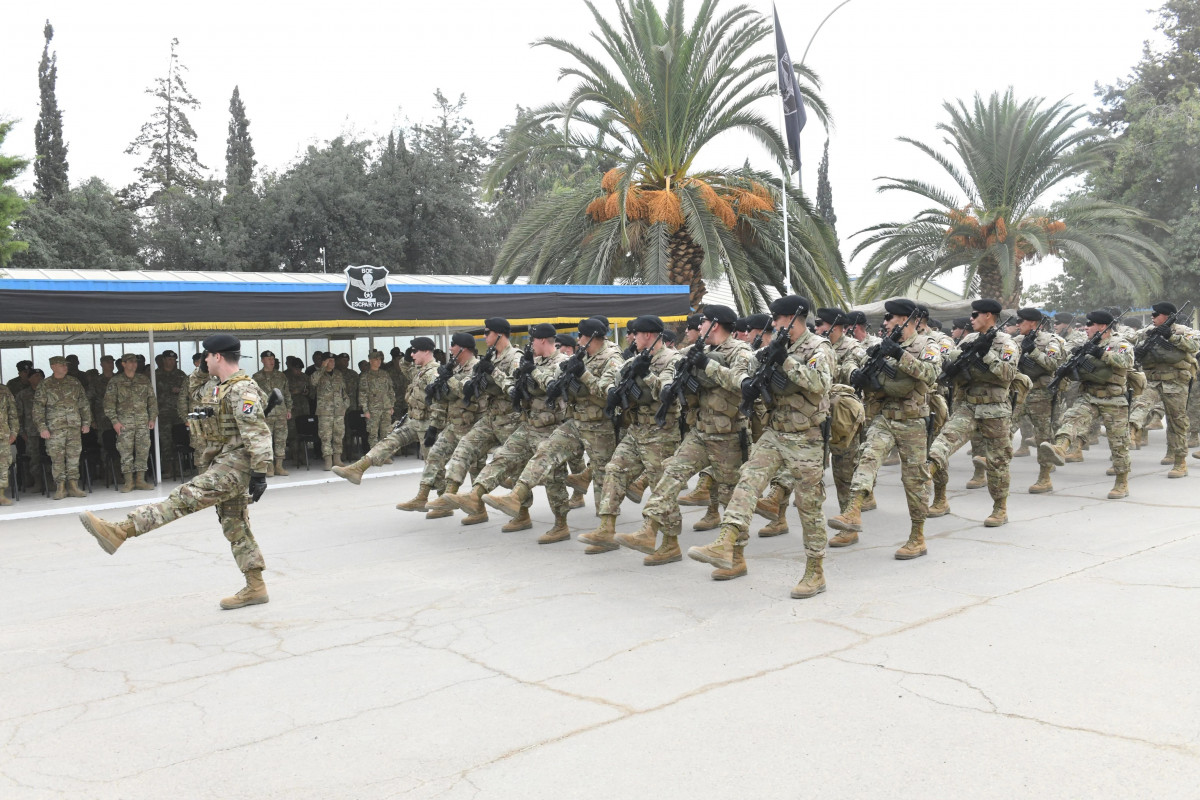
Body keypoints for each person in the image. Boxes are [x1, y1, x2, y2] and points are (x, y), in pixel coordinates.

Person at [79, 334, 274, 610]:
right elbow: (194, 391)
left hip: (236, 464)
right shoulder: (219, 386)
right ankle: (255, 586)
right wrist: (201, 370)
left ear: (217, 356)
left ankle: (121, 531)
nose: (203, 361)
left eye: (206, 356)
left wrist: (259, 473)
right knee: (235, 524)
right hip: (221, 460)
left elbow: (258, 433)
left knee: (185, 497)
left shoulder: (243, 390)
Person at [615, 304, 754, 568]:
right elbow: (671, 373)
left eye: (703, 322)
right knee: (670, 474)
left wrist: (707, 367)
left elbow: (741, 383)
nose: (699, 327)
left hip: (728, 436)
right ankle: (650, 531)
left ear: (715, 325)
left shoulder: (741, 351)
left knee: (728, 497)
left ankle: (736, 558)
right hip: (700, 432)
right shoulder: (694, 351)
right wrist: (646, 371)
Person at [829, 298, 940, 559]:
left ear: (905, 320)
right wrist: (860, 376)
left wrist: (900, 355)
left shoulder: (927, 345)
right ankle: (853, 509)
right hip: (884, 416)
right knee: (867, 457)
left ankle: (917, 536)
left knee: (914, 480)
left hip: (913, 420)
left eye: (890, 318)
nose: (886, 322)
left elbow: (932, 374)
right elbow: (865, 373)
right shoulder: (882, 346)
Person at [456, 324, 574, 543]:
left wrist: (531, 373)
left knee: (552, 478)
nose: (531, 345)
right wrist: (499, 376)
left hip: (551, 428)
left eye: (534, 341)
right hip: (528, 425)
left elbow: (553, 388)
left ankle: (561, 524)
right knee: (502, 456)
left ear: (543, 341)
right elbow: (512, 389)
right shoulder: (533, 362)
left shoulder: (562, 362)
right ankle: (475, 495)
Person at [578, 315, 682, 554]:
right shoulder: (634, 360)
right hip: (636, 429)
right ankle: (606, 528)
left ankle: (670, 544)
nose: (632, 338)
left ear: (647, 335)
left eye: (636, 334)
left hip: (660, 433)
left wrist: (646, 375)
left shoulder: (672, 359)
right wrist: (614, 391)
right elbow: (611, 384)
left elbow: (667, 393)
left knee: (661, 487)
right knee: (614, 470)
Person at [426, 318, 523, 522]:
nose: (484, 336)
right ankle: (449, 494)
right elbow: (472, 390)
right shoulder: (490, 357)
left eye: (487, 333)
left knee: (513, 467)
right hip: (491, 417)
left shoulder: (515, 357)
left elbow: (516, 389)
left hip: (510, 420)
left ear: (499, 334)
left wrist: (492, 372)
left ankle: (522, 514)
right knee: (465, 446)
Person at [1039, 309, 1135, 499]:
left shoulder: (1119, 343)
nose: (1086, 328)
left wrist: (1101, 353)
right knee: (1071, 418)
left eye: (1090, 325)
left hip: (1113, 399)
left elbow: (1126, 361)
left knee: (1119, 443)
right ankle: (1060, 447)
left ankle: (1121, 482)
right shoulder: (1087, 344)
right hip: (1088, 395)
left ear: (1102, 326)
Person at [395, 333, 486, 517]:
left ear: (463, 348)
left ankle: (479, 509)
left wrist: (447, 380)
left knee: (476, 468)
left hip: (473, 425)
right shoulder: (454, 368)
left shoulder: (477, 368)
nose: (450, 349)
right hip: (453, 424)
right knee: (434, 456)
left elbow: (468, 392)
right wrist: (434, 426)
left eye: (453, 345)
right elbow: (443, 401)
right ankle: (424, 496)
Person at [333, 337, 444, 485]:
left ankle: (440, 499)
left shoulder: (433, 373)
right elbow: (405, 368)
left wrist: (434, 426)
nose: (412, 355)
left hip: (427, 424)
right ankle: (357, 468)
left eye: (415, 351)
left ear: (426, 351)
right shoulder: (420, 370)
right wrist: (405, 358)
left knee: (432, 464)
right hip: (414, 420)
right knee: (389, 440)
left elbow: (441, 402)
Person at [1128, 301, 1200, 477]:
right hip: (1152, 381)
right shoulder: (1147, 332)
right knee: (1140, 404)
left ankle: (1179, 461)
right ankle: (1132, 432)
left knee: (1177, 422)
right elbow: (1127, 341)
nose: (1152, 317)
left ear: (1167, 316)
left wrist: (1171, 337)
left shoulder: (1184, 331)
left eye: (1156, 314)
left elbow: (1194, 347)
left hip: (1176, 382)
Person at [1011, 309, 1067, 493]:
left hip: (1041, 395)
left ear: (1033, 323)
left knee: (1043, 437)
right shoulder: (1016, 341)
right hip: (1018, 393)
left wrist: (1033, 351)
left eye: (1021, 321)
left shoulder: (1051, 341)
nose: (1017, 324)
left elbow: (1052, 364)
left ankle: (1045, 477)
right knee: (1004, 429)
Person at [33, 356, 92, 500]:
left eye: (66, 365)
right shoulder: (45, 385)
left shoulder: (74, 382)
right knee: (57, 458)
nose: (65, 367)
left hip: (73, 427)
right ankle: (60, 488)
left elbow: (83, 403)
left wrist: (86, 422)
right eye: (61, 365)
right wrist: (42, 428)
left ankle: (73, 486)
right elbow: (37, 408)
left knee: (73, 457)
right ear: (53, 367)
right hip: (54, 429)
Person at [104, 353, 159, 492]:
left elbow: (152, 401)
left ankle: (140, 480)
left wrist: (152, 418)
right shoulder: (115, 381)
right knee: (125, 452)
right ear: (123, 364)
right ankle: (128, 481)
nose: (133, 364)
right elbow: (109, 404)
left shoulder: (143, 380)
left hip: (142, 422)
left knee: (143, 450)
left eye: (135, 362)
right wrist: (115, 422)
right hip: (124, 423)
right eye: (130, 362)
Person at [252, 350, 292, 476]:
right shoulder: (256, 377)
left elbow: (286, 393)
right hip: (266, 414)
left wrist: (289, 409)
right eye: (269, 359)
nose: (271, 361)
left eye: (273, 359)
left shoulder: (281, 376)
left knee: (281, 440)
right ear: (262, 360)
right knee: (266, 441)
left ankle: (279, 466)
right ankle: (269, 467)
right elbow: (253, 396)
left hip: (280, 412)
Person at [311, 352, 349, 470]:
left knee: (338, 435)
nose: (332, 363)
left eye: (333, 361)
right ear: (324, 361)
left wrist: (345, 405)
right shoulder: (318, 374)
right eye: (330, 361)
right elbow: (313, 382)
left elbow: (344, 392)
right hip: (324, 412)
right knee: (325, 436)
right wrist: (322, 368)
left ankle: (337, 459)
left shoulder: (338, 374)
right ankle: (328, 460)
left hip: (338, 411)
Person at [155, 349, 187, 479]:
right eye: (169, 359)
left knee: (179, 441)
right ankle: (168, 468)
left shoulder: (180, 375)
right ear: (163, 360)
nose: (171, 362)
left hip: (178, 414)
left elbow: (188, 391)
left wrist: (180, 390)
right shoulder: (155, 375)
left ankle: (179, 467)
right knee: (166, 442)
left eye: (174, 360)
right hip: (163, 414)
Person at [358, 350, 396, 453]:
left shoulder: (385, 374)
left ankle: (384, 455)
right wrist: (365, 410)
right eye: (376, 359)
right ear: (370, 361)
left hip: (386, 407)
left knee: (386, 433)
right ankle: (375, 455)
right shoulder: (365, 376)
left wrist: (391, 405)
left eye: (380, 359)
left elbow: (390, 390)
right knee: (373, 434)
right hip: (372, 409)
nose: (379, 361)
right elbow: (363, 394)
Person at [0, 382, 18, 505]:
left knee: (3, 465)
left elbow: (13, 413)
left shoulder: (4, 390)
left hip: (2, 434)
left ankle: (1, 495)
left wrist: (14, 432)